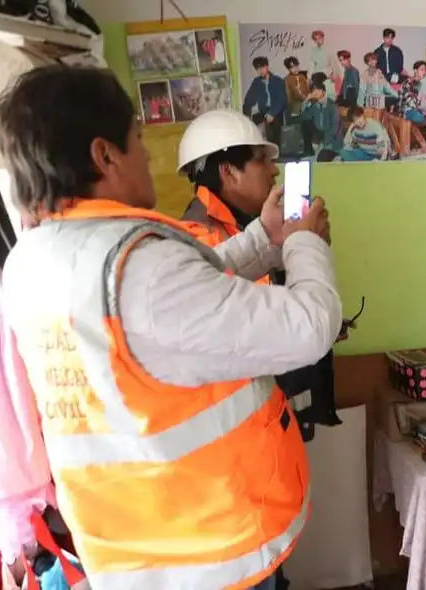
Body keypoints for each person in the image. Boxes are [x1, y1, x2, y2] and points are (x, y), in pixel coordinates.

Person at [0, 64, 342, 590]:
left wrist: (266, 237)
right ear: (103, 154)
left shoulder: (35, 259)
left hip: (135, 544)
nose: (149, 153)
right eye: (137, 137)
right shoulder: (141, 269)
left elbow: (180, 297)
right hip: (205, 549)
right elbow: (310, 326)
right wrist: (302, 240)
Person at [176, 109, 345, 590]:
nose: (273, 171)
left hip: (255, 450)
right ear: (227, 172)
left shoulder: (240, 231)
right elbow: (282, 328)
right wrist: (303, 243)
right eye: (260, 161)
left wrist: (285, 243)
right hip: (228, 476)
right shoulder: (198, 237)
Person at [242, 56, 287, 146]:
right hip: (262, 111)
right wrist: (248, 112)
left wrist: (272, 113)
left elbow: (282, 99)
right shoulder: (256, 82)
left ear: (267, 66)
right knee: (252, 128)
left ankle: (276, 152)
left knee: (274, 127)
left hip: (275, 111)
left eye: (262, 68)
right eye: (257, 69)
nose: (260, 71)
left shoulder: (278, 81)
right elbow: (248, 99)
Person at [300, 73, 343, 162]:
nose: (315, 92)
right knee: (305, 124)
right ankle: (311, 152)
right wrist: (306, 101)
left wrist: (324, 143)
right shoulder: (313, 105)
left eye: (318, 90)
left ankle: (335, 156)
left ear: (323, 91)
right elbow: (304, 117)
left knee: (322, 159)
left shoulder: (331, 106)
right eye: (313, 91)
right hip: (320, 138)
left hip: (332, 140)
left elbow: (334, 128)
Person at [308, 30, 338, 100]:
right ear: (314, 41)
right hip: (316, 74)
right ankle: (317, 97)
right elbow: (312, 65)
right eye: (316, 39)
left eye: (320, 38)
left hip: (326, 72)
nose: (318, 41)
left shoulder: (329, 49)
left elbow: (334, 64)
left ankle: (321, 94)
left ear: (323, 38)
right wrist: (308, 78)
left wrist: (335, 75)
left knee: (317, 79)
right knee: (313, 80)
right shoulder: (313, 51)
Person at [398, 61, 426, 125]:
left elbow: (422, 104)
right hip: (406, 111)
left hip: (415, 110)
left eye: (425, 71)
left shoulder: (420, 85)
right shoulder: (408, 82)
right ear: (415, 70)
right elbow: (411, 104)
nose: (424, 72)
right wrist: (425, 115)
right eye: (422, 69)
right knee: (418, 116)